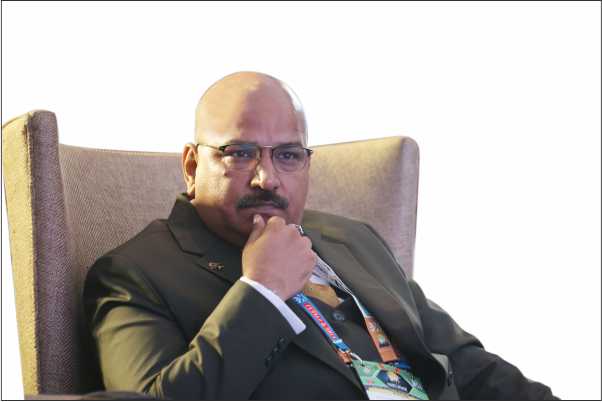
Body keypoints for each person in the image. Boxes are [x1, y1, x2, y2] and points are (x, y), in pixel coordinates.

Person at [83, 71, 557, 400]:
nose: (267, 178)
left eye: (288, 155)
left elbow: (462, 361)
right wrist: (261, 293)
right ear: (192, 166)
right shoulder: (134, 274)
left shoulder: (352, 238)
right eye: (240, 153)